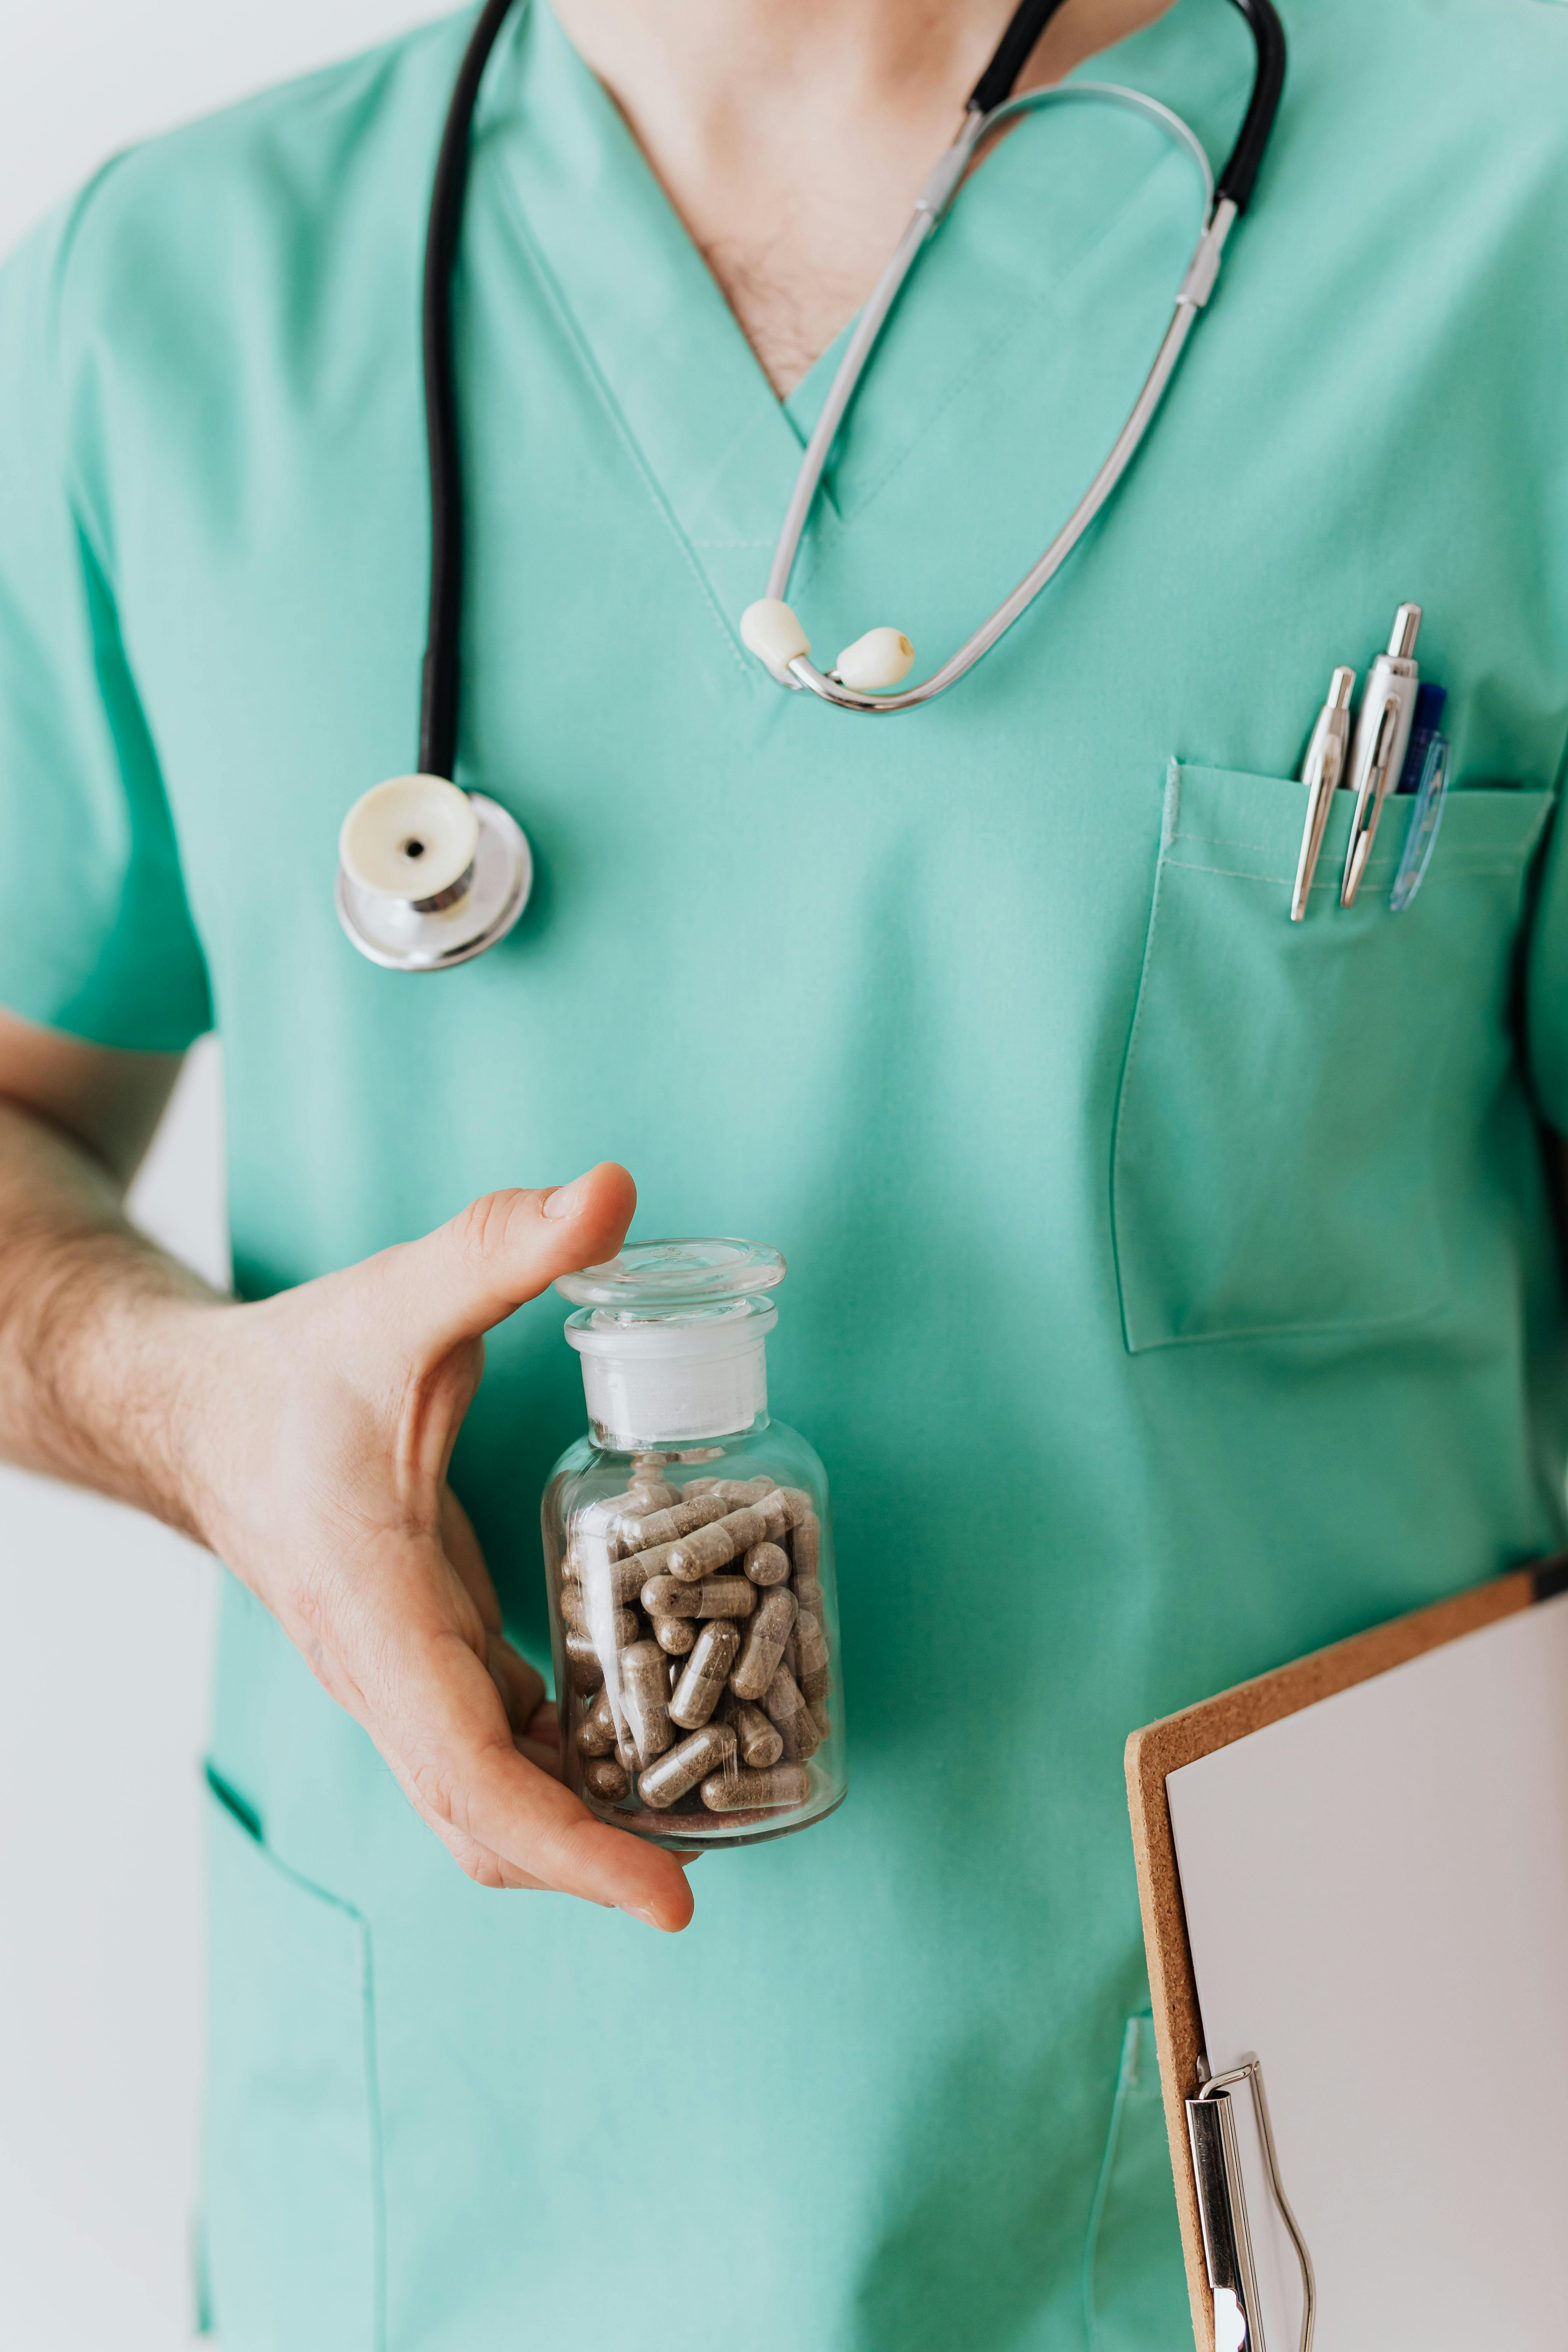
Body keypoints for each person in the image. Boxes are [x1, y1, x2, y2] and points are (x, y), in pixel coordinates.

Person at [1, 0, 1567, 2341]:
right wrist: (183, 1410)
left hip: (1299, 2225)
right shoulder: (176, 302)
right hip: (443, 2209)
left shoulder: (1511, 214)